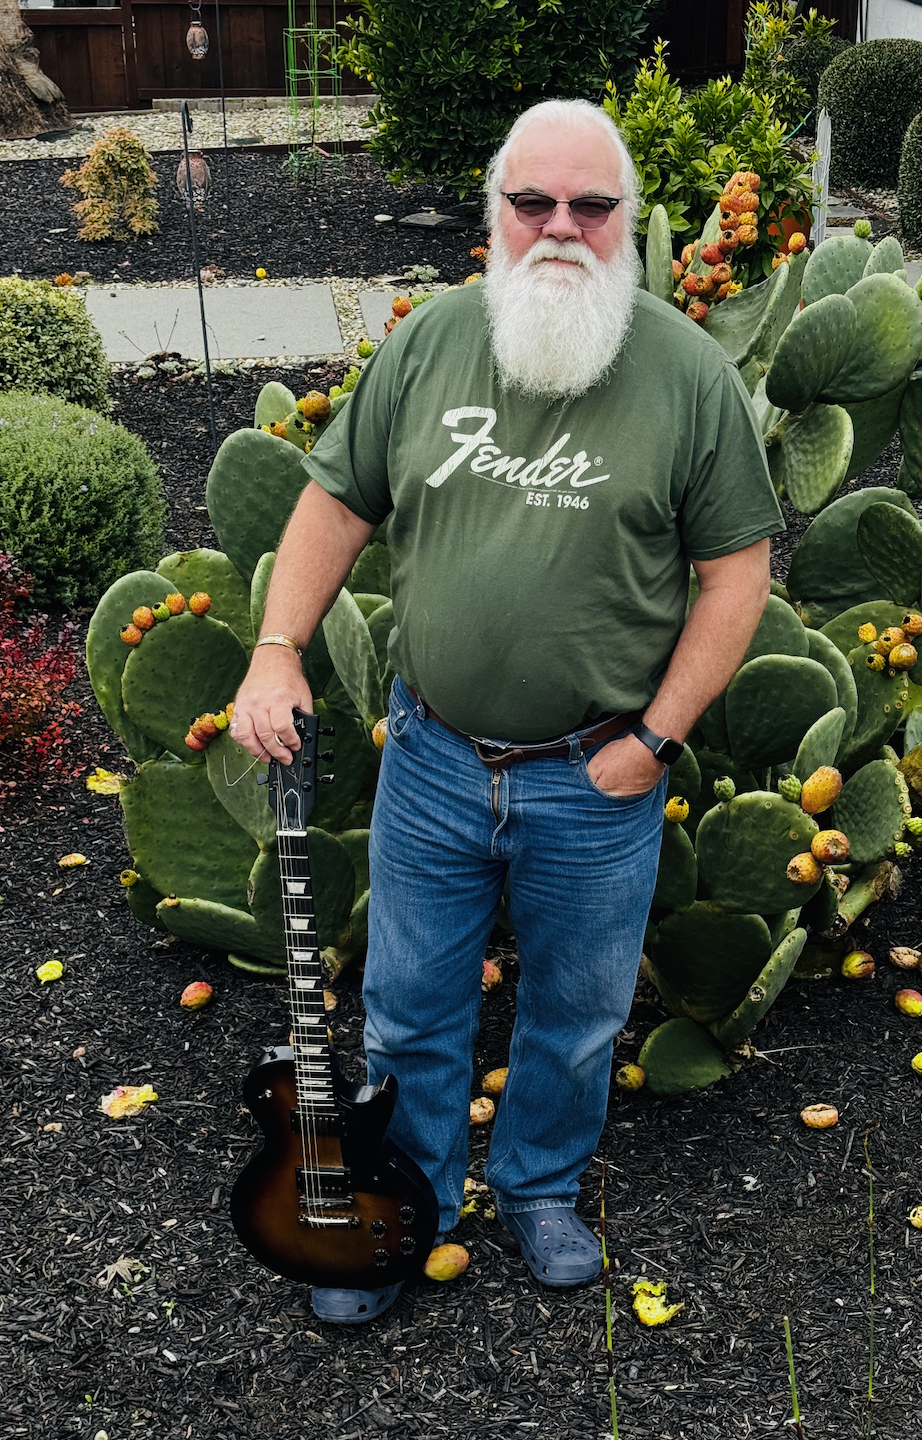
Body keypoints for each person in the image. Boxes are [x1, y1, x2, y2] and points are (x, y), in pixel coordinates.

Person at [230, 97, 785, 1325]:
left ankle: (536, 1186)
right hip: (431, 758)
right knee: (408, 1007)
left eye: (590, 205)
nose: (559, 228)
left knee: (577, 1016)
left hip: (594, 771)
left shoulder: (685, 376)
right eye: (532, 202)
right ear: (494, 212)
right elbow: (335, 503)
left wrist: (653, 741)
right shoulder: (432, 343)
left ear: (627, 220)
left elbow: (736, 574)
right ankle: (409, 1205)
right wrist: (275, 649)